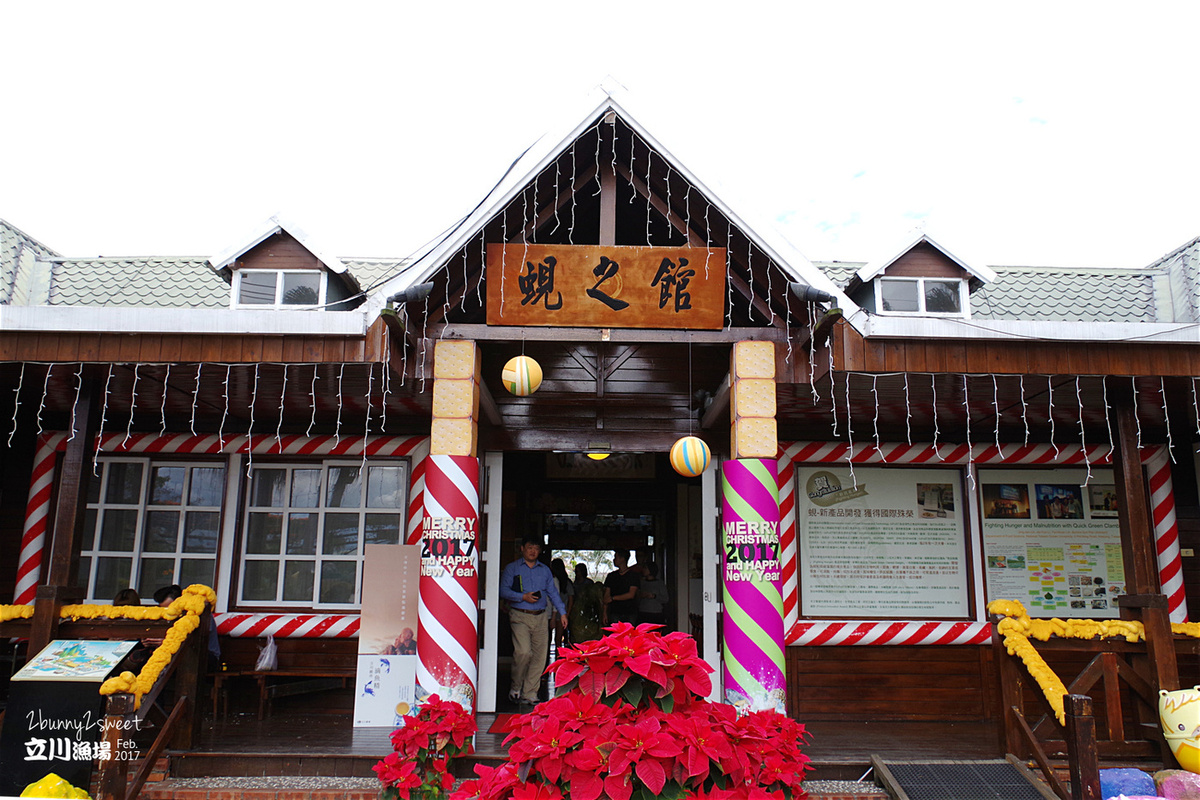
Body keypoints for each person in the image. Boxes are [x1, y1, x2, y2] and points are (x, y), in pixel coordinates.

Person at [499, 536, 566, 706]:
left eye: (536, 548)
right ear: (522, 549)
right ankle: (516, 687)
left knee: (539, 657)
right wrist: (522, 597)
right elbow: (503, 591)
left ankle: (530, 693)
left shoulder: (545, 570)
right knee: (523, 652)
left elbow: (553, 593)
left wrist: (562, 614)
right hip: (519, 615)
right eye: (529, 548)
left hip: (541, 616)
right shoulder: (512, 568)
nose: (532, 551)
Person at [569, 564, 607, 643]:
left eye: (578, 571)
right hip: (577, 606)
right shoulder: (575, 583)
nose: (576, 573)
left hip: (587, 608)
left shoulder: (588, 582)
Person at [604, 550, 640, 625]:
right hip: (614, 612)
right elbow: (606, 596)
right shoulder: (611, 576)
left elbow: (631, 594)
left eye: (615, 557)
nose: (614, 560)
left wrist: (613, 598)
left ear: (622, 559)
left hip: (630, 612)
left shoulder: (633, 576)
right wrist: (604, 613)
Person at [549, 558, 574, 651]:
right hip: (557, 612)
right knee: (557, 639)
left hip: (560, 613)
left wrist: (567, 614)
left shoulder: (565, 582)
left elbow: (571, 599)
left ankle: (558, 658)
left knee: (557, 639)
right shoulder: (554, 581)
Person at [637, 562, 670, 629]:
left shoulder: (659, 583)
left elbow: (665, 599)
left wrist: (654, 596)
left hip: (656, 614)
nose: (644, 570)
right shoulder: (642, 582)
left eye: (646, 568)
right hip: (643, 612)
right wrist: (641, 595)